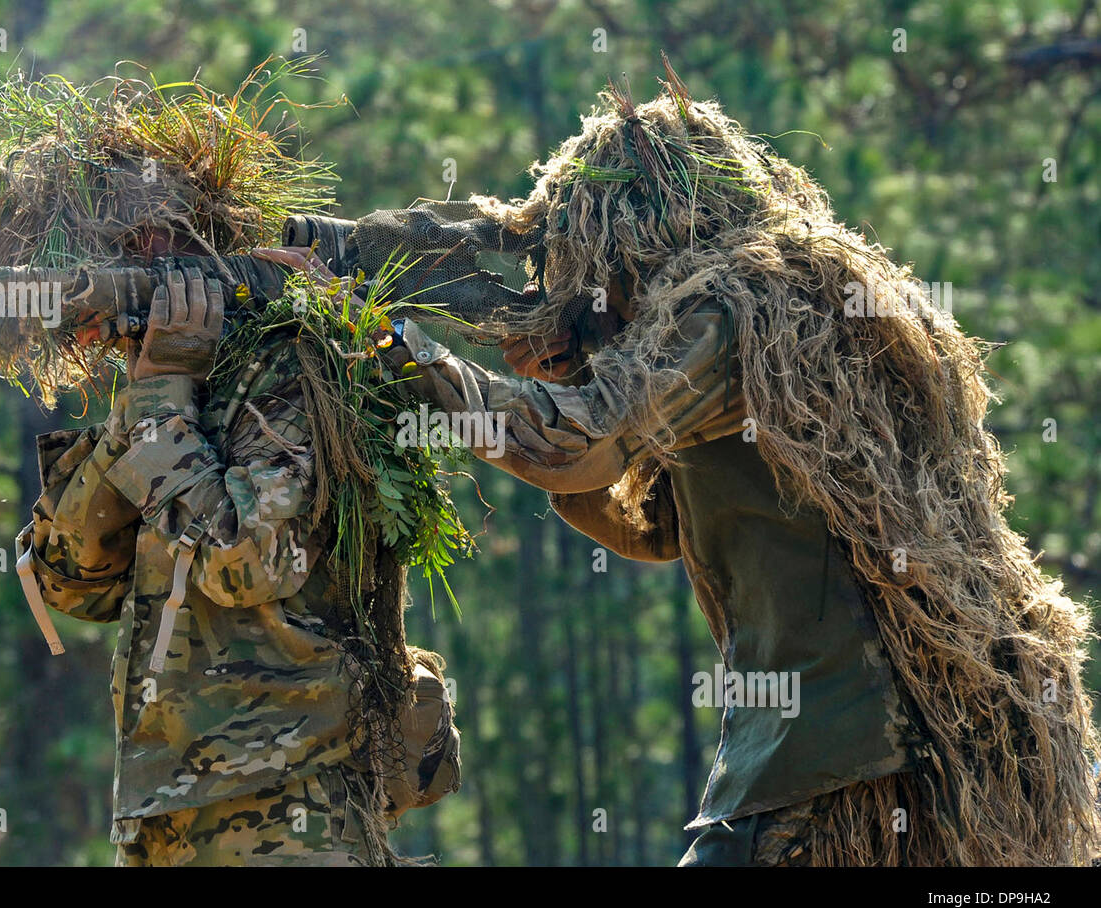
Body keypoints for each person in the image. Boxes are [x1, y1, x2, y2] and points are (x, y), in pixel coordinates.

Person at [353, 78, 1100, 865]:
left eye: (591, 271)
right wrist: (568, 380)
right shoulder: (806, 302)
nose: (595, 300)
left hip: (850, 758)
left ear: (633, 236)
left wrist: (406, 354)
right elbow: (656, 528)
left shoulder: (732, 303)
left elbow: (577, 449)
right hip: (933, 741)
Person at [16, 245, 460, 866]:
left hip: (284, 805)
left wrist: (161, 410)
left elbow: (249, 560)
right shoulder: (171, 389)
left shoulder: (290, 372)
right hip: (165, 810)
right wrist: (149, 401)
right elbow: (69, 583)